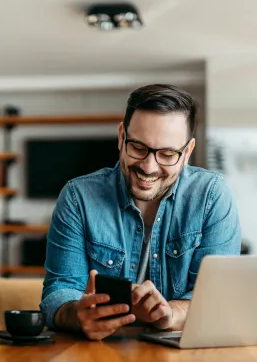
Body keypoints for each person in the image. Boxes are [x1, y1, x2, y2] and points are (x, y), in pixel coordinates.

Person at [39, 84, 242, 340]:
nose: (148, 167)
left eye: (167, 154)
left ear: (187, 152)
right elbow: (59, 293)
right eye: (138, 147)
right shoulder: (78, 197)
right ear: (122, 136)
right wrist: (77, 315)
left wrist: (170, 313)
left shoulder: (211, 196)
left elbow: (218, 299)